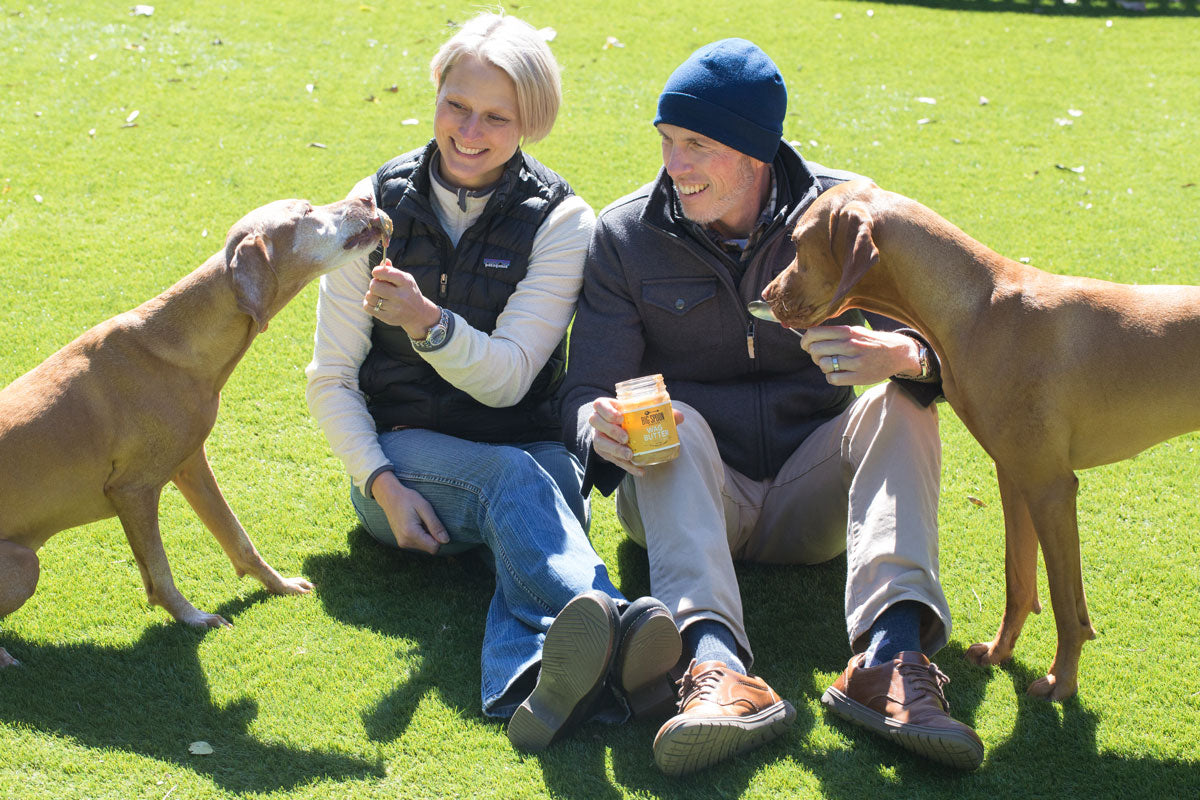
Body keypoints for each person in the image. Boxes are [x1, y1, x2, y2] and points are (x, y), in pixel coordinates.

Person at [561, 38, 984, 775]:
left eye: (696, 144)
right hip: (688, 494)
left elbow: (968, 345)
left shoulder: (849, 215)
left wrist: (909, 357)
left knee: (901, 401)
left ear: (755, 154)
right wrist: (593, 426)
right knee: (673, 419)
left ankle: (890, 656)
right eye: (666, 141)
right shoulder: (624, 236)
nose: (672, 165)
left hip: (811, 498)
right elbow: (581, 390)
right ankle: (716, 670)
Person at [305, 12, 680, 751]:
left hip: (525, 447)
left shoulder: (562, 220)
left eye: (496, 117)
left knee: (531, 482)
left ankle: (530, 682)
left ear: (530, 123)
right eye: (456, 105)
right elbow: (330, 378)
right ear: (435, 94)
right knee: (521, 481)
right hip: (404, 469)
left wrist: (426, 322)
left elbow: (509, 382)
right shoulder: (373, 204)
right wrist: (379, 482)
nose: (468, 131)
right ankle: (616, 619)